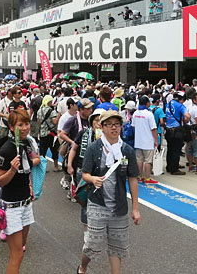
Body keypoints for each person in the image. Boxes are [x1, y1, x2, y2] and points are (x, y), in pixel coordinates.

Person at [78, 110, 140, 274]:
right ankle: (83, 266)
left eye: (117, 124)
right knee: (93, 244)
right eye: (109, 124)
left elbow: (133, 178)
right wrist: (93, 179)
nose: (114, 128)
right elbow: (85, 174)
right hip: (97, 203)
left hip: (118, 206)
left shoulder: (127, 151)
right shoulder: (94, 148)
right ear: (102, 127)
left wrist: (135, 208)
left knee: (116, 248)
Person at [0, 109, 40, 273]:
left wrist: (29, 186)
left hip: (26, 203)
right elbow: (0, 182)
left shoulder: (26, 143)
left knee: (21, 248)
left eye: (27, 123)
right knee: (17, 254)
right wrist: (12, 170)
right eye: (20, 124)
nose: (26, 127)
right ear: (12, 127)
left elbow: (27, 170)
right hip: (12, 206)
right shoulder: (6, 149)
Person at [131, 96, 158, 183]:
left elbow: (133, 125)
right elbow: (153, 128)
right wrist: (156, 140)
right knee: (148, 161)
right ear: (147, 103)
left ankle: (140, 176)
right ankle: (147, 178)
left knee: (139, 159)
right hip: (148, 141)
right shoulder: (149, 114)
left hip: (138, 140)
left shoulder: (135, 113)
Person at [164, 92, 190, 175]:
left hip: (168, 130)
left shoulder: (169, 104)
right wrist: (187, 120)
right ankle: (174, 169)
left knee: (170, 149)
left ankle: (169, 167)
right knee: (176, 150)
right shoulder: (180, 106)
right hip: (176, 131)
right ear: (181, 99)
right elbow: (187, 116)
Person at [37, 95, 61, 171]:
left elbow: (38, 122)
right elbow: (55, 121)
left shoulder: (39, 110)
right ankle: (56, 167)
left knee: (42, 151)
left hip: (42, 133)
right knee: (54, 150)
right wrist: (58, 116)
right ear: (49, 102)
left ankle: (43, 168)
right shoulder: (52, 111)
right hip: (51, 133)